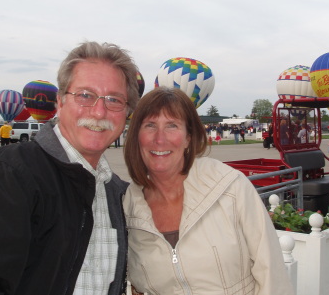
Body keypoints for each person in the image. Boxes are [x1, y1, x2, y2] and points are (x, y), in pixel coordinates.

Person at [0, 41, 140, 295]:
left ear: (126, 112)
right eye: (85, 95)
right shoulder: (0, 176)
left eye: (114, 99)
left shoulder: (117, 193)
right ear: (60, 102)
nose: (99, 112)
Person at [122, 87, 294, 295]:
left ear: (188, 138)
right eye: (150, 125)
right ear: (136, 136)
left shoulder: (229, 186)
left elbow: (271, 275)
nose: (160, 139)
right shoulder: (127, 205)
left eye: (172, 125)